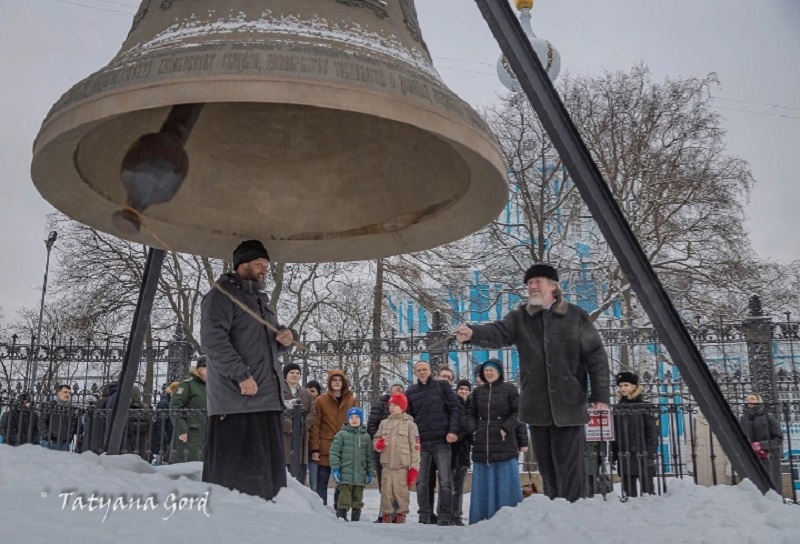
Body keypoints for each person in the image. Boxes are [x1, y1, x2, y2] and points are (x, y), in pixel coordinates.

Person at [456, 263, 610, 502]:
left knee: (569, 467)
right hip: (536, 404)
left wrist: (600, 395)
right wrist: (473, 333)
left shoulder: (576, 315)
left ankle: (572, 515)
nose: (532, 286)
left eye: (537, 281)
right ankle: (553, 516)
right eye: (529, 283)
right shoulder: (521, 317)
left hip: (568, 404)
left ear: (553, 285)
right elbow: (499, 331)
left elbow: (596, 355)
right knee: (547, 469)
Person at [200, 239, 297, 501]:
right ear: (243, 265)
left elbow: (266, 345)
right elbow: (213, 341)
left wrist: (287, 337)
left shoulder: (260, 300)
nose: (265, 269)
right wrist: (241, 374)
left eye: (266, 264)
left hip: (265, 398)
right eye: (259, 264)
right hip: (236, 401)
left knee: (266, 484)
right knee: (235, 482)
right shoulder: (220, 296)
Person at [467, 359, 526, 523]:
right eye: (486, 370)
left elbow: (519, 412)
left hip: (504, 444)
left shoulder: (510, 390)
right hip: (482, 446)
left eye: (492, 369)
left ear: (499, 372)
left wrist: (506, 427)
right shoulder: (478, 392)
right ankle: (481, 519)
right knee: (483, 486)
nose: (489, 372)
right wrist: (474, 429)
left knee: (505, 483)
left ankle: (508, 520)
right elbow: (469, 414)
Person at [405, 360, 461, 525]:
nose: (422, 372)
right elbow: (409, 418)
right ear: (415, 373)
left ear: (430, 371)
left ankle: (444, 516)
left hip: (442, 441)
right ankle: (424, 515)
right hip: (421, 444)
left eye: (425, 369)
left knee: (445, 482)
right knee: (421, 482)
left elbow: (455, 408)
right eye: (419, 370)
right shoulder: (411, 392)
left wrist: (453, 430)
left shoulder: (441, 386)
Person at [309, 369, 358, 506]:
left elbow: (356, 424)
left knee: (342, 483)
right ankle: (321, 510)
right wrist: (314, 448)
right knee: (322, 482)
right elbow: (315, 425)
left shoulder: (351, 401)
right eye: (334, 380)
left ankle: (340, 511)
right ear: (329, 382)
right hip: (326, 448)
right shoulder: (320, 400)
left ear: (344, 383)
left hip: (345, 447)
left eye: (339, 380)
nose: (337, 383)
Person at [374, 392, 420, 524]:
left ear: (402, 406)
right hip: (387, 466)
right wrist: (379, 444)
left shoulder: (410, 425)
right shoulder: (384, 423)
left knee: (402, 492)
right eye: (390, 404)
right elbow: (376, 440)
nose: (391, 407)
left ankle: (401, 514)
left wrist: (414, 468)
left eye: (395, 404)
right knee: (386, 492)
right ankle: (386, 514)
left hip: (402, 467)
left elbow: (416, 447)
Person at [610, 371, 658, 498]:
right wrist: (614, 454)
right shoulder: (617, 408)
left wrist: (650, 453)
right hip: (624, 454)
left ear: (635, 386)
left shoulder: (644, 406)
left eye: (626, 385)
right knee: (628, 495)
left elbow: (652, 432)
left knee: (648, 493)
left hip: (642, 454)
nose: (623, 388)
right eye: (620, 386)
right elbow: (614, 433)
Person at [366, 378, 406, 523]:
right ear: (390, 390)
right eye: (395, 386)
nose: (398, 389)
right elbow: (371, 425)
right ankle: (384, 514)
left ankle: (398, 514)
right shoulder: (380, 404)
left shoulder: (407, 406)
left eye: (401, 387)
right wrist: (380, 441)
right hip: (383, 451)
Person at [329, 407, 375, 521]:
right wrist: (335, 468)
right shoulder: (341, 435)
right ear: (348, 419)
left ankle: (356, 518)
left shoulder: (366, 437)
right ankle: (341, 516)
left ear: (361, 419)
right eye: (351, 417)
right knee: (344, 497)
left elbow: (369, 456)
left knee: (357, 498)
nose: (354, 420)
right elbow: (334, 452)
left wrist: (370, 473)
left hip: (360, 474)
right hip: (345, 473)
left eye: (357, 417)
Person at [739, 391, 783, 492]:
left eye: (753, 399)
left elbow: (778, 439)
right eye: (748, 399)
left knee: (770, 486)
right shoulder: (743, 419)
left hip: (767, 457)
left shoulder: (769, 417)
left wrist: (761, 445)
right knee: (752, 487)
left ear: (759, 402)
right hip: (750, 457)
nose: (749, 401)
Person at [282, 362, 316, 484]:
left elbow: (312, 412)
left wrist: (303, 425)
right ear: (285, 375)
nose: (295, 375)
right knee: (285, 469)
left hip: (301, 437)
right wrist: (289, 426)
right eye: (292, 373)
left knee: (300, 472)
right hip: (284, 436)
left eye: (297, 373)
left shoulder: (306, 393)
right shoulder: (278, 391)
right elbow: (275, 412)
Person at [169, 358, 208, 463]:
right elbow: (175, 407)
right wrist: (182, 430)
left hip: (206, 433)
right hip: (191, 433)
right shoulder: (187, 384)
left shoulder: (211, 386)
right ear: (200, 370)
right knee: (190, 467)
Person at [451, 379, 473, 526]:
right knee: (449, 485)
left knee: (459, 487)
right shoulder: (453, 406)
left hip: (464, 451)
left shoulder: (472, 407)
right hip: (452, 450)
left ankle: (457, 515)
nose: (463, 391)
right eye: (461, 389)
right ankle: (447, 514)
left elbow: (471, 428)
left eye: (466, 389)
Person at [38, 384, 77, 451]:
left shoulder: (70, 408)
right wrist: (47, 436)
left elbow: (73, 424)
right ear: (58, 393)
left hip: (64, 444)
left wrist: (69, 438)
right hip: (50, 442)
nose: (67, 394)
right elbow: (42, 422)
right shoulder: (50, 405)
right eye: (65, 392)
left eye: (69, 393)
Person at [152, 382, 177, 464]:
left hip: (169, 434)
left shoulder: (170, 402)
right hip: (165, 437)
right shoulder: (164, 403)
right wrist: (164, 437)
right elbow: (160, 423)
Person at [306, 380, 323, 490]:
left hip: (316, 446)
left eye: (313, 391)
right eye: (307, 390)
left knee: (314, 481)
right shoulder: (301, 402)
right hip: (303, 446)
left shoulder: (319, 405)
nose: (310, 393)